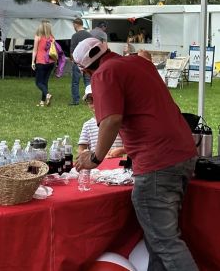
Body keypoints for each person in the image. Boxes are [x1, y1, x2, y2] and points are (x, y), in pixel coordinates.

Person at [73, 37, 199, 271]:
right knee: (158, 241)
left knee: (165, 243)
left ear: (86, 70)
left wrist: (94, 158)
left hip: (157, 161)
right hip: (181, 152)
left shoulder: (104, 74)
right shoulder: (138, 63)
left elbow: (111, 119)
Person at [78, 85, 125, 158]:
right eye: (90, 100)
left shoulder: (118, 122)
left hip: (117, 165)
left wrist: (121, 150)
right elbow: (81, 151)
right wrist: (92, 156)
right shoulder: (87, 125)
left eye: (97, 99)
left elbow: (132, 146)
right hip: (96, 166)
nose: (94, 103)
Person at [31, 20, 55, 107]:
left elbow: (35, 50)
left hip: (41, 62)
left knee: (38, 82)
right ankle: (43, 101)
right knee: (45, 82)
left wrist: (32, 62)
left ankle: (47, 94)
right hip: (51, 62)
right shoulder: (52, 37)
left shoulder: (38, 36)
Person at [69, 18, 92, 106]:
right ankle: (89, 99)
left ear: (75, 24)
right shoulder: (89, 35)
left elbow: (72, 51)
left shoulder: (75, 36)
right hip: (88, 62)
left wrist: (73, 61)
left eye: (73, 25)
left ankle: (76, 100)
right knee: (87, 81)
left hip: (78, 61)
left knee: (75, 81)